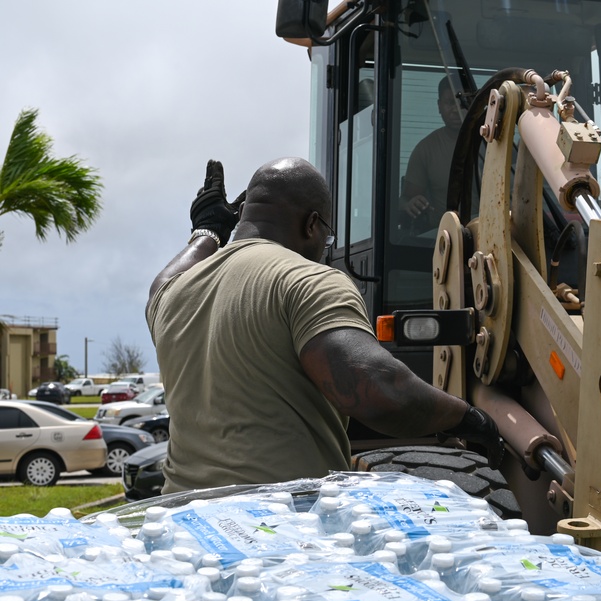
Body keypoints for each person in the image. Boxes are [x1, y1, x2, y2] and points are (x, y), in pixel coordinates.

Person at [147, 158, 501, 493]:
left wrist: (207, 231)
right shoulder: (307, 279)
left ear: (243, 216)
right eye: (326, 239)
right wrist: (469, 419)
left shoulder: (175, 292)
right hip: (273, 527)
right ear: (311, 224)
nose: (324, 249)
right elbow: (377, 389)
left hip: (182, 519)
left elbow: (163, 279)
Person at [400, 76, 464, 229]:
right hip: (444, 242)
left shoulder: (494, 143)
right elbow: (404, 200)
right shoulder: (425, 150)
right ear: (439, 106)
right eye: (449, 103)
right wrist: (410, 204)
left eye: (461, 102)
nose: (455, 109)